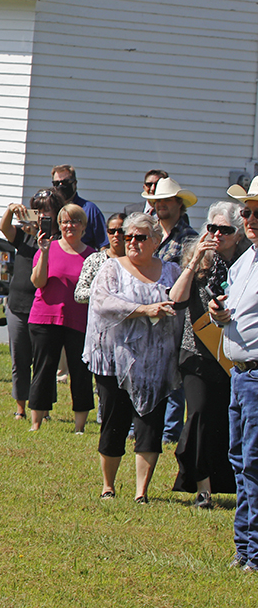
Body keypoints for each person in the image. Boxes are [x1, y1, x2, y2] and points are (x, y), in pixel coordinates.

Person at [86, 211, 198, 503]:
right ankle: (108, 486)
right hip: (114, 361)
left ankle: (141, 492)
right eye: (128, 237)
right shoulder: (112, 268)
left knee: (150, 428)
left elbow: (180, 298)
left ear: (156, 240)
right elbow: (102, 302)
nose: (133, 242)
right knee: (114, 424)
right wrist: (143, 310)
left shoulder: (171, 270)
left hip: (157, 363)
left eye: (140, 237)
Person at [174, 202, 246, 508]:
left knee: (227, 421)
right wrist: (194, 263)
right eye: (212, 228)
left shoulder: (247, 264)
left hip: (232, 356)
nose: (217, 235)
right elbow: (176, 300)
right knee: (200, 414)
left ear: (237, 234)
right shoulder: (198, 260)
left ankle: (230, 485)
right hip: (197, 354)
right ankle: (202, 489)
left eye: (225, 230)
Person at [207, 179, 258, 569]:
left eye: (256, 211)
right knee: (239, 461)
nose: (249, 218)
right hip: (240, 376)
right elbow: (230, 309)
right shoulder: (246, 261)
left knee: (253, 463)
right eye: (246, 211)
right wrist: (217, 313)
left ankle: (253, 553)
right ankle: (244, 550)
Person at [27, 202, 95, 432]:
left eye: (75, 221)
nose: (70, 226)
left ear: (84, 226)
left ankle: (80, 427)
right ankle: (36, 423)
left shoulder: (92, 256)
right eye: (65, 221)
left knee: (81, 372)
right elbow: (38, 282)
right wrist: (44, 253)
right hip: (45, 317)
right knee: (43, 369)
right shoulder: (47, 248)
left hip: (79, 320)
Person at [144, 176, 198, 444]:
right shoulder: (150, 234)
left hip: (177, 315)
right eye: (157, 200)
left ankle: (169, 432)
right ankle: (143, 423)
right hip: (149, 313)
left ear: (179, 204)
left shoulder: (189, 238)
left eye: (166, 200)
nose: (160, 204)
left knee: (174, 373)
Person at [0, 188, 63, 419]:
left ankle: (43, 409)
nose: (43, 214)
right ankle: (20, 408)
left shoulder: (61, 239)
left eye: (48, 209)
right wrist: (10, 210)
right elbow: (5, 229)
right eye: (38, 209)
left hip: (47, 307)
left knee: (44, 362)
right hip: (18, 305)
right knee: (20, 359)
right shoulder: (26, 234)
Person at [51, 164, 107, 250]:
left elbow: (103, 244)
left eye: (65, 182)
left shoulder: (89, 209)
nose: (61, 186)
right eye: (56, 183)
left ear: (75, 183)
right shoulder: (51, 209)